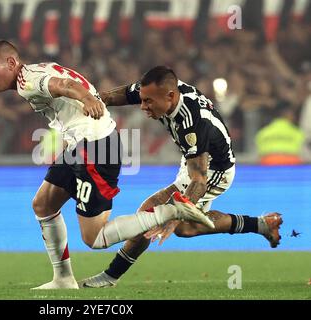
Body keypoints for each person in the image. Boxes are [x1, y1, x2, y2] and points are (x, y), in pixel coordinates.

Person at [0, 41, 215, 290]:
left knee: (95, 237)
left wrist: (86, 98)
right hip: (83, 145)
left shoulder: (27, 82)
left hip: (95, 146)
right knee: (43, 204)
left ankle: (171, 211)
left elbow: (65, 85)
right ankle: (63, 279)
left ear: (11, 63)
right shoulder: (36, 70)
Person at [79, 66, 283, 288]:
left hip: (215, 171)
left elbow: (199, 182)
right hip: (192, 162)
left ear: (170, 96)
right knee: (186, 230)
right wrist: (89, 100)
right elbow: (112, 96)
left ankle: (110, 276)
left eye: (149, 102)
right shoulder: (160, 92)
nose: (143, 106)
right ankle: (262, 224)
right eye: (142, 99)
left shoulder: (192, 123)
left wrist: (175, 214)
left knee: (150, 213)